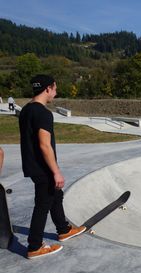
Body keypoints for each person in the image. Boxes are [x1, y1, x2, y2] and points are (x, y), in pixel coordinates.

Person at [19, 74, 86, 259]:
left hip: (32, 165)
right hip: (43, 168)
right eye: (55, 89)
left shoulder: (26, 110)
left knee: (56, 195)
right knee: (42, 205)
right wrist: (56, 171)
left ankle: (63, 229)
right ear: (48, 88)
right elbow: (44, 144)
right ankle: (34, 246)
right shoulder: (43, 113)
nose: (55, 93)